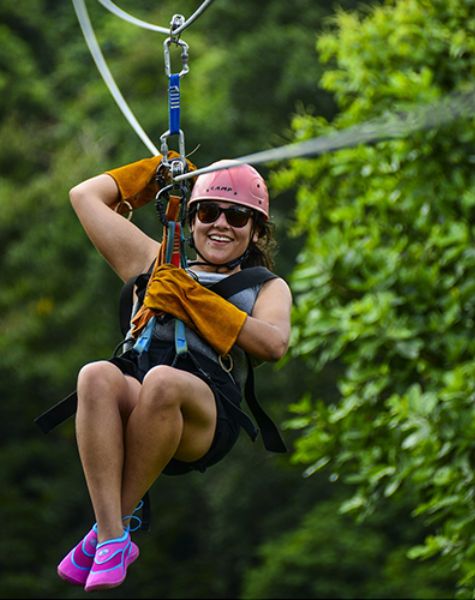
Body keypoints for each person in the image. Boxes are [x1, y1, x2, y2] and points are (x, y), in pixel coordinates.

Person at [55, 154, 292, 592]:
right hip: (141, 395)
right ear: (191, 218)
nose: (221, 224)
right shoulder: (158, 262)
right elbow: (85, 196)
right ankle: (110, 535)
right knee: (95, 375)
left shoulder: (264, 285)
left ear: (256, 230)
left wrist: (195, 301)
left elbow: (274, 343)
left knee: (164, 382)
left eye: (238, 216)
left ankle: (117, 525)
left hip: (204, 416)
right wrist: (152, 172)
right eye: (208, 212)